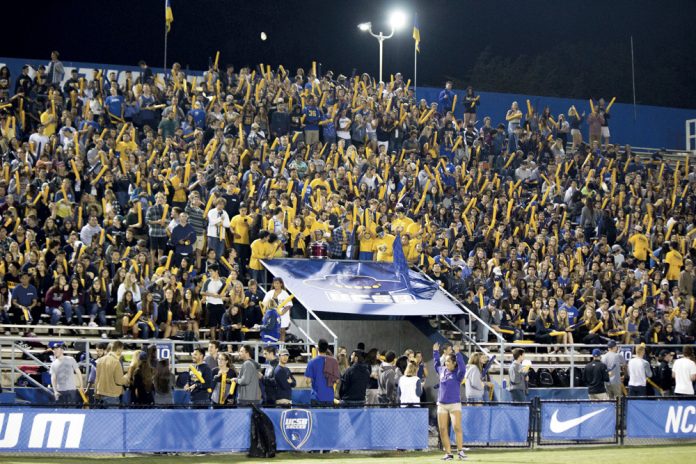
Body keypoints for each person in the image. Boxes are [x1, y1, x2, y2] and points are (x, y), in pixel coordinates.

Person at [433, 342, 467, 461]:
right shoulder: (442, 370)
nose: (446, 363)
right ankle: (448, 453)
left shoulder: (458, 374)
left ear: (454, 363)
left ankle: (460, 451)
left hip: (454, 404)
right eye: (446, 361)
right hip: (442, 404)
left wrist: (458, 353)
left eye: (448, 361)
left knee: (457, 427)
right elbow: (436, 364)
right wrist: (435, 352)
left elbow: (462, 367)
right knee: (442, 429)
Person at [304, 339, 338, 406]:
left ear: (318, 348)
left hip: (316, 397)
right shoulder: (333, 362)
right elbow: (337, 381)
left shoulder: (312, 362)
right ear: (327, 348)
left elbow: (308, 381)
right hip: (329, 397)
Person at [95, 341, 130, 406]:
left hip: (100, 393)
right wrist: (127, 376)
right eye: (122, 350)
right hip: (112, 395)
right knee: (113, 415)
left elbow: (97, 378)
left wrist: (96, 393)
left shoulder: (100, 360)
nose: (121, 352)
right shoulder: (116, 362)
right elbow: (119, 381)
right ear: (119, 349)